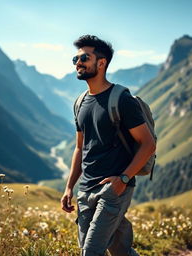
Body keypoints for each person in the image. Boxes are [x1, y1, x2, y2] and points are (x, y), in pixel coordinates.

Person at [61, 35, 156, 256]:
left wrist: (123, 179)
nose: (78, 63)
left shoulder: (122, 100)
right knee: (120, 250)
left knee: (90, 252)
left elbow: (148, 144)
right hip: (86, 190)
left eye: (84, 57)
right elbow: (79, 148)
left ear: (101, 63)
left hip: (113, 188)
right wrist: (69, 187)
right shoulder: (80, 102)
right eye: (75, 58)